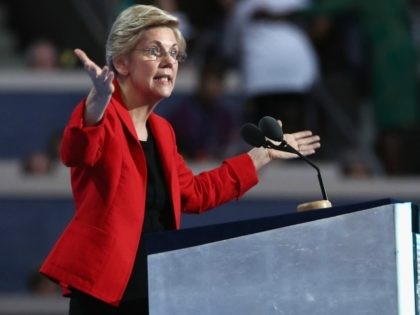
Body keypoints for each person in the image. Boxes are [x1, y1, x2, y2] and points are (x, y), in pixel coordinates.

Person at [39, 4, 320, 314]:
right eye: (154, 51)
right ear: (121, 62)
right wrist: (96, 104)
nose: (168, 62)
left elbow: (195, 194)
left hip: (157, 287)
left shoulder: (162, 131)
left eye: (174, 54)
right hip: (106, 294)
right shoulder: (102, 117)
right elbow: (76, 152)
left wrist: (260, 156)